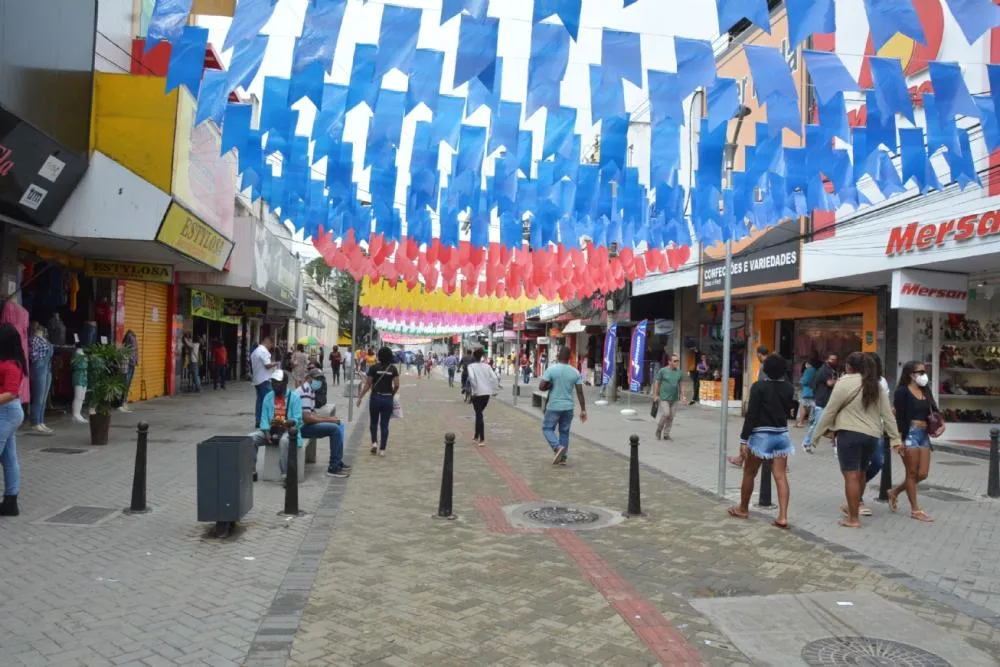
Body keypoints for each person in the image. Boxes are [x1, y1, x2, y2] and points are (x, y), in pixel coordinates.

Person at [814, 352, 901, 529]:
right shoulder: (876, 384)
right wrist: (895, 439)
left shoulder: (844, 382)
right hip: (872, 437)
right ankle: (854, 507)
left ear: (849, 367)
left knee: (851, 476)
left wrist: (816, 435)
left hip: (849, 435)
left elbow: (830, 410)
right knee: (861, 473)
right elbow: (888, 415)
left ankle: (853, 519)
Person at [727, 354, 795, 529]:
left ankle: (743, 508)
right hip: (781, 435)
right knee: (780, 476)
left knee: (749, 473)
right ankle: (783, 516)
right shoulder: (789, 388)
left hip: (760, 436)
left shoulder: (758, 387)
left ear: (765, 369)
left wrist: (743, 439)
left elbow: (752, 415)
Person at [888, 360, 943, 523]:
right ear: (910, 374)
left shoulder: (925, 390)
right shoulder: (902, 392)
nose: (923, 375)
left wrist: (941, 425)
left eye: (924, 372)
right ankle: (915, 509)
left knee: (923, 473)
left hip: (924, 434)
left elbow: (934, 409)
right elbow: (898, 417)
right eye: (920, 372)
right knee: (911, 473)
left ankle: (895, 491)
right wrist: (898, 440)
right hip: (909, 433)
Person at [252, 369, 303, 483]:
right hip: (271, 430)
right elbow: (264, 418)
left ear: (285, 383)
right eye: (273, 382)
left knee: (284, 441)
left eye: (277, 382)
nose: (274, 385)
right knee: (251, 438)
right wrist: (266, 432)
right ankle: (252, 471)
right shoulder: (268, 397)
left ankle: (285, 474)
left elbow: (298, 419)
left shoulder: (294, 397)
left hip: (287, 430)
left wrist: (289, 422)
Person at [539, 347, 587, 465]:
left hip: (554, 406)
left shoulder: (551, 370)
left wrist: (549, 385)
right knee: (564, 432)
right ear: (569, 357)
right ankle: (563, 458)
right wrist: (583, 409)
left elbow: (541, 386)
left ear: (558, 356)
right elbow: (580, 392)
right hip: (568, 407)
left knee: (547, 428)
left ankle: (557, 447)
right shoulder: (575, 372)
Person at [297, 368, 349, 478]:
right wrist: (330, 420)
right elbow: (307, 418)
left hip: (305, 424)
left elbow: (313, 414)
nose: (319, 381)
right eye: (317, 379)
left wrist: (331, 419)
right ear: (309, 378)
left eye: (321, 379)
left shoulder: (310, 390)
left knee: (339, 425)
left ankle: (338, 462)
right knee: (334, 429)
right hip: (300, 428)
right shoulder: (305, 391)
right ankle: (333, 468)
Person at [858, 353, 890, 517]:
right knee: (860, 464)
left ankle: (855, 485)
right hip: (857, 429)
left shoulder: (882, 382)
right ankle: (857, 498)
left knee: (878, 462)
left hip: (877, 429)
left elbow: (885, 408)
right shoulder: (854, 380)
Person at [0, 324, 25, 516]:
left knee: (9, 458)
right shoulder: (9, 362)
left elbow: (10, 392)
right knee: (9, 458)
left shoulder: (11, 365)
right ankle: (10, 502)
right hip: (8, 412)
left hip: (6, 411)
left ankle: (11, 501)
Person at [356, 347, 400, 457]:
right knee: (384, 425)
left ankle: (374, 443)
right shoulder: (393, 369)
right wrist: (392, 394)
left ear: (379, 356)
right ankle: (383, 449)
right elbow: (397, 385)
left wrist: (360, 397)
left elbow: (368, 384)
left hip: (375, 398)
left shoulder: (374, 368)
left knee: (374, 422)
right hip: (387, 398)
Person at [802, 353, 838, 453]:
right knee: (817, 424)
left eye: (835, 359)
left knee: (835, 425)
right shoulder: (824, 370)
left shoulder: (831, 370)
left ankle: (836, 447)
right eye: (832, 359)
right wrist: (841, 380)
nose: (834, 361)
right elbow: (829, 383)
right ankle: (806, 443)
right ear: (827, 360)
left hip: (828, 401)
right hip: (822, 402)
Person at [652, 353, 687, 441]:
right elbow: (657, 383)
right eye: (675, 361)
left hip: (674, 398)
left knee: (671, 417)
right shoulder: (663, 371)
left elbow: (682, 384)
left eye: (678, 361)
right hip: (664, 398)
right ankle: (658, 430)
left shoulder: (679, 372)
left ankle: (666, 434)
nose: (677, 362)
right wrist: (655, 395)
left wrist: (684, 396)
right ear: (669, 362)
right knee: (666, 414)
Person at [27, 322, 54, 435]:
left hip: (47, 367)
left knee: (43, 397)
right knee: (38, 396)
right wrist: (37, 359)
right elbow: (32, 354)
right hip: (39, 367)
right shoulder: (33, 339)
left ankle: (41, 421)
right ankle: (35, 422)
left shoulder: (44, 339)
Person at [251, 336, 278, 428]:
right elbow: (267, 365)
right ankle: (269, 421)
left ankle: (258, 420)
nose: (271, 347)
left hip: (257, 380)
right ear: (268, 343)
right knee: (269, 400)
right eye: (271, 345)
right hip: (264, 380)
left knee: (260, 401)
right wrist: (274, 363)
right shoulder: (264, 351)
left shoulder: (255, 351)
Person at [795, 354, 821, 427]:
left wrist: (800, 382)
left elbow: (805, 381)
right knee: (813, 407)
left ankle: (800, 422)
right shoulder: (817, 370)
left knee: (804, 406)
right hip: (814, 392)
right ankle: (811, 422)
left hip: (807, 391)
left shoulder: (809, 370)